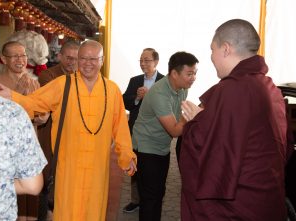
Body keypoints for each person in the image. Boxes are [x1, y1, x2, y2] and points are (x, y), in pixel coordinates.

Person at [0, 40, 137, 221]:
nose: (88, 63)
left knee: (93, 212)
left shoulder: (112, 90)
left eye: (93, 59)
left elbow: (120, 126)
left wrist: (126, 155)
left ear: (102, 60)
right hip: (68, 167)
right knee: (66, 213)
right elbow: (35, 102)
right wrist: (11, 97)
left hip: (98, 168)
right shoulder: (62, 84)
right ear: (77, 60)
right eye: (83, 58)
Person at [179, 19, 288, 221]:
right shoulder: (270, 87)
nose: (211, 57)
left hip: (235, 206)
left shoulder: (232, 90)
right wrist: (205, 119)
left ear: (226, 49)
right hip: (266, 199)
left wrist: (196, 122)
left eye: (212, 50)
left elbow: (211, 151)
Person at [0, 40, 48, 221]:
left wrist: (39, 115)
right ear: (4, 60)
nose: (20, 60)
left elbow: (43, 115)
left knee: (32, 198)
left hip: (28, 146)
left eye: (23, 55)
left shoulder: (34, 83)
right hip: (2, 152)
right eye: (15, 56)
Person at [132, 51, 199, 221]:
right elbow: (175, 131)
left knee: (158, 191)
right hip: (146, 148)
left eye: (195, 73)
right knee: (150, 196)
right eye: (189, 74)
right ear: (174, 73)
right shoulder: (159, 94)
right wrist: (189, 117)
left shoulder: (182, 88)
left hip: (161, 146)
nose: (193, 78)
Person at [37, 40, 80, 220]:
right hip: (51, 135)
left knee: (71, 181)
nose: (72, 62)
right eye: (68, 58)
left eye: (76, 59)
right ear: (60, 56)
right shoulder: (48, 75)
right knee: (46, 181)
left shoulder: (83, 76)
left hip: (75, 137)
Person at [122, 48, 164, 213]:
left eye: (147, 60)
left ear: (156, 62)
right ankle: (135, 200)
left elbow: (167, 105)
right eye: (141, 60)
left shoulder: (164, 81)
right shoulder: (135, 81)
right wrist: (137, 98)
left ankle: (151, 198)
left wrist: (151, 97)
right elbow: (125, 102)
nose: (143, 63)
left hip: (156, 132)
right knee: (135, 164)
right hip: (135, 131)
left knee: (153, 167)